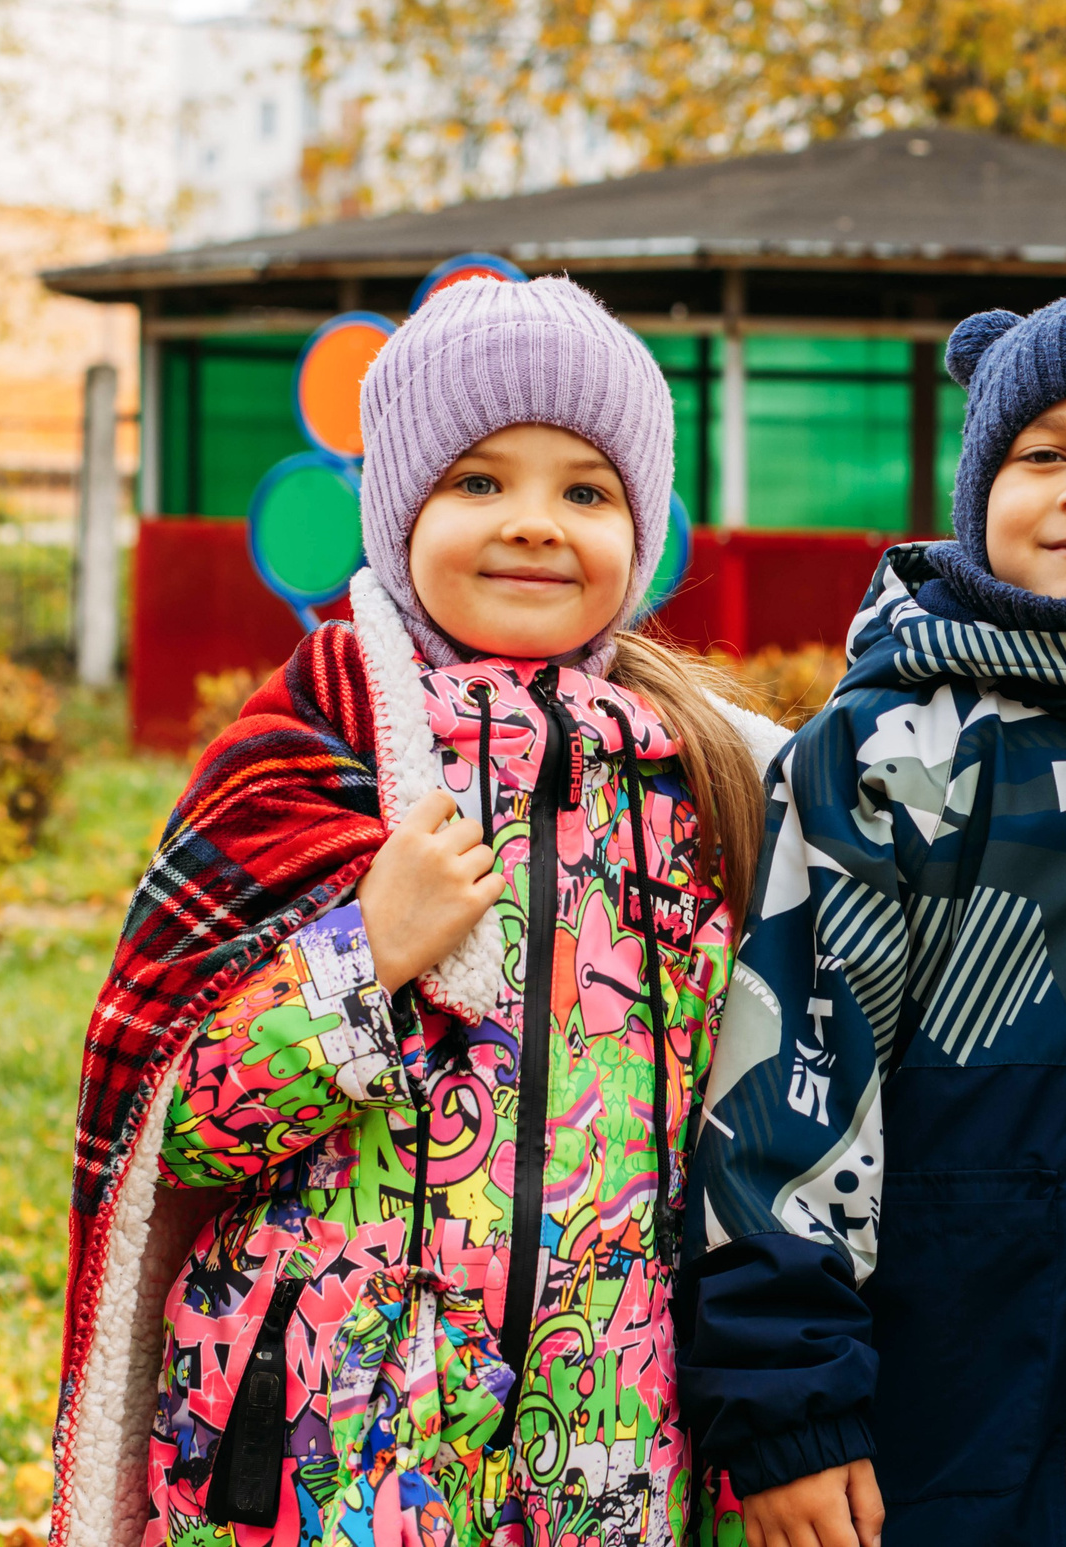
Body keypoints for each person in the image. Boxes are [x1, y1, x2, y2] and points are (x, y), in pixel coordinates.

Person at [50, 276, 792, 1547]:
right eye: (478, 482)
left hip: (603, 1432)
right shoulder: (308, 755)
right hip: (316, 1438)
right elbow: (178, 1138)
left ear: (642, 525)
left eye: (586, 490)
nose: (534, 525)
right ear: (400, 512)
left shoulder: (703, 787)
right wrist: (362, 960)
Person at [680, 290, 1066, 1547]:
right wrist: (789, 1401)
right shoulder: (892, 754)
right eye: (1045, 453)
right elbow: (791, 1081)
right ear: (981, 482)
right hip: (922, 1430)